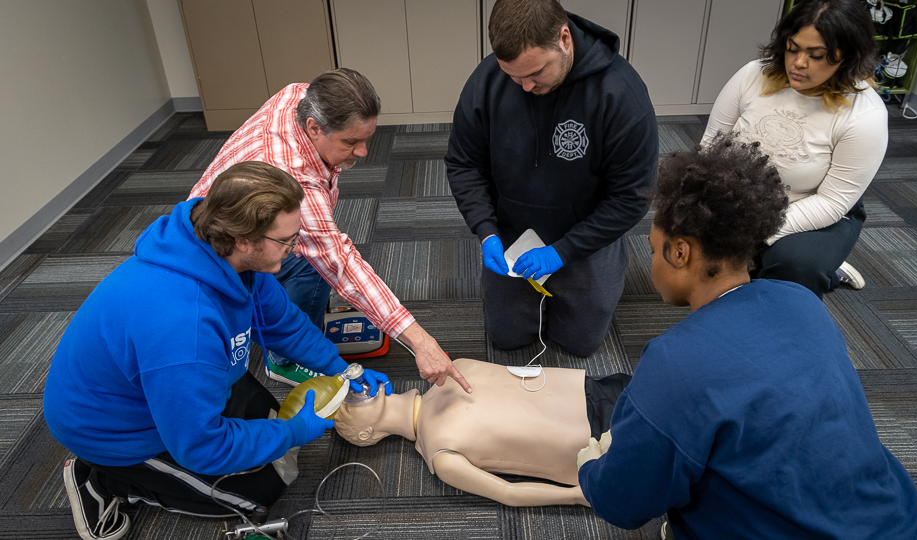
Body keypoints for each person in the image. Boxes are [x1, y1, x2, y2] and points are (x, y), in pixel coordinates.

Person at [575, 135, 917, 538]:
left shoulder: (675, 361)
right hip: (902, 523)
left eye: (655, 249)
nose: (652, 259)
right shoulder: (801, 300)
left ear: (680, 253)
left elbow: (622, 504)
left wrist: (591, 468)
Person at [44, 161, 392, 540]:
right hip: (114, 430)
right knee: (260, 492)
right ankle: (104, 478)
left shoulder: (226, 254)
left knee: (271, 435)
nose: (293, 251)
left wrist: (343, 369)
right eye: (286, 241)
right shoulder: (183, 326)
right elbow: (203, 447)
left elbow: (283, 324)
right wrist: (291, 432)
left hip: (177, 382)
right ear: (244, 239)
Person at [190, 68, 471, 393]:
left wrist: (341, 368)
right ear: (313, 127)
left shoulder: (300, 95)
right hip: (219, 251)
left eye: (367, 138)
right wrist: (421, 342)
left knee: (301, 269)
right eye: (351, 141)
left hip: (223, 218)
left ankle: (290, 322)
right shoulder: (294, 179)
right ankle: (282, 358)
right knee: (313, 263)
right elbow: (341, 264)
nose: (364, 152)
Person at [445, 0, 657, 357]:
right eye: (514, 76)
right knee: (506, 337)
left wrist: (565, 250)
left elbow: (631, 197)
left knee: (581, 343)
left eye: (536, 73)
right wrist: (485, 231)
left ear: (564, 38)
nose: (524, 86)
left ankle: (607, 263)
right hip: (512, 231)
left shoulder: (621, 94)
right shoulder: (487, 81)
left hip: (586, 231)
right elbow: (463, 163)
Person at [701, 0, 887, 298]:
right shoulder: (752, 75)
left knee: (794, 267)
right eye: (792, 48)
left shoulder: (865, 115)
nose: (799, 63)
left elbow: (832, 202)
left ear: (847, 57)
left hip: (813, 209)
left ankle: (820, 265)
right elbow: (710, 148)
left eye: (817, 56)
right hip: (738, 199)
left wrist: (754, 232)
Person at [330, 357, 630, 507]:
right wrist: (580, 495)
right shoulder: (442, 455)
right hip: (598, 438)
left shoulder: (450, 370)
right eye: (346, 407)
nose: (351, 391)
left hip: (594, 386)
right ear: (364, 435)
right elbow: (508, 492)